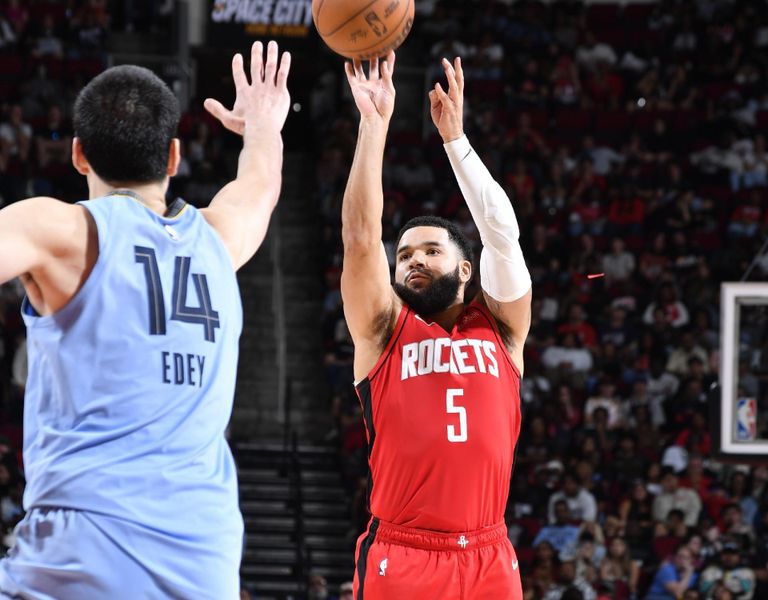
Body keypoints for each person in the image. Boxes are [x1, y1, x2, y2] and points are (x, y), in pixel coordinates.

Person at [0, 40, 291, 598]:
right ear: (174, 157)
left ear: (79, 154)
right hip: (205, 560)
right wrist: (263, 126)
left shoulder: (60, 231)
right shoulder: (220, 239)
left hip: (81, 550)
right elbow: (260, 188)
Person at [341, 52, 531, 599]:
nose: (414, 261)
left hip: (490, 553)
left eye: (430, 250)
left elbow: (501, 233)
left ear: (466, 271)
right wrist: (373, 127)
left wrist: (456, 143)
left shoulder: (502, 327)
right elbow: (359, 239)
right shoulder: (382, 331)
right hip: (403, 554)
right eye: (404, 255)